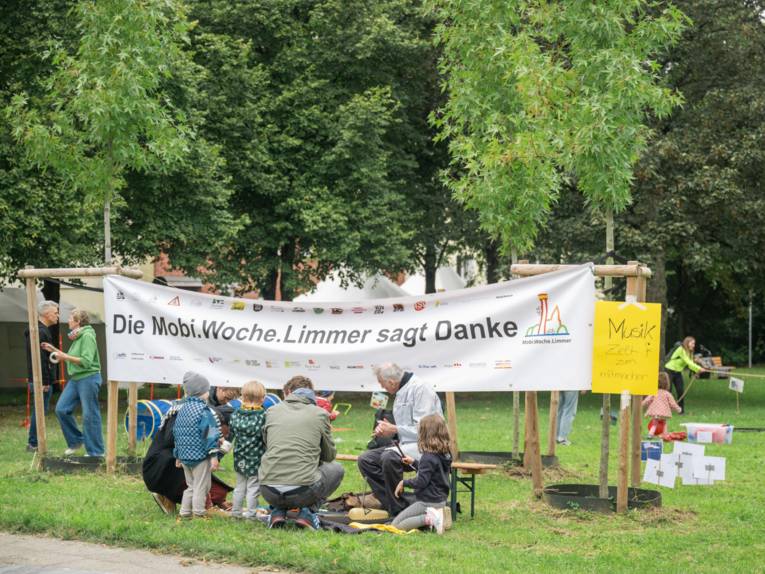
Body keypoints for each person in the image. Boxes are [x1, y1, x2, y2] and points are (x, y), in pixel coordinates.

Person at [357, 363, 443, 516]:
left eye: (382, 384)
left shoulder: (420, 389)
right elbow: (404, 429)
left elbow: (425, 430)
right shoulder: (402, 391)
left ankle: (397, 510)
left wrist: (394, 429)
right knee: (366, 459)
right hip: (407, 446)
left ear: (391, 382)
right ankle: (397, 503)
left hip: (429, 447)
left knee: (389, 457)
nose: (383, 388)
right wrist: (386, 431)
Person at [259, 376, 344, 530]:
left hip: (267, 489)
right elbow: (329, 456)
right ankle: (308, 513)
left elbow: (267, 446)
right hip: (302, 492)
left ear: (289, 393)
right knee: (337, 469)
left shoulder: (271, 411)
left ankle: (277, 511)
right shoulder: (320, 414)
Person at [142, 399, 232, 515]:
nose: (225, 436)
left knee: (218, 491)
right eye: (224, 432)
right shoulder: (182, 415)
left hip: (174, 464)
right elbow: (170, 438)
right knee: (201, 487)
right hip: (160, 469)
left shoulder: (191, 415)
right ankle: (200, 509)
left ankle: (181, 507)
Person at [42, 309, 104, 457]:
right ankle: (76, 441)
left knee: (90, 415)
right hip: (76, 379)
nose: (68, 320)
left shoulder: (87, 336)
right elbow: (71, 356)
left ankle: (96, 452)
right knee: (61, 409)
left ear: (78, 322)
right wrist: (54, 349)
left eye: (70, 318)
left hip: (88, 378)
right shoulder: (78, 336)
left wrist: (64, 356)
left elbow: (86, 362)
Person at [173, 372, 222, 520]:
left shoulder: (181, 410)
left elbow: (176, 433)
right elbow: (210, 433)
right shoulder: (203, 411)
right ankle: (199, 513)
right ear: (202, 392)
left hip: (185, 455)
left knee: (191, 487)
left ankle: (185, 513)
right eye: (207, 390)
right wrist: (214, 455)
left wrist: (177, 455)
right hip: (200, 456)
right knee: (201, 486)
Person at [392, 414, 452, 534]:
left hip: (427, 501)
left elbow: (421, 482)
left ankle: (431, 518)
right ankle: (437, 515)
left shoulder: (428, 457)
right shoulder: (445, 453)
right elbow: (434, 472)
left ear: (425, 434)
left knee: (396, 525)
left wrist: (404, 482)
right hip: (440, 499)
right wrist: (414, 462)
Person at [229, 380, 267, 519]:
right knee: (253, 488)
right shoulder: (263, 416)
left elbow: (230, 436)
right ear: (263, 398)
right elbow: (266, 438)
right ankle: (251, 515)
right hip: (256, 459)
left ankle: (236, 513)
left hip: (239, 458)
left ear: (242, 397)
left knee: (239, 487)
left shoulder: (235, 415)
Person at [25, 300, 59, 452]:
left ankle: (34, 443)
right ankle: (33, 443)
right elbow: (40, 359)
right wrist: (45, 381)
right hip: (41, 381)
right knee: (39, 412)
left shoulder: (41, 330)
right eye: (55, 312)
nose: (57, 315)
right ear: (46, 314)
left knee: (40, 411)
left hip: (40, 379)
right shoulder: (41, 332)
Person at [665, 336, 707, 412]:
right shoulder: (681, 349)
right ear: (687, 343)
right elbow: (688, 361)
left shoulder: (690, 352)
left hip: (678, 373)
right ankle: (665, 410)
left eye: (694, 343)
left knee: (680, 391)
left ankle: (681, 411)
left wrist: (696, 371)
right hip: (669, 371)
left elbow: (690, 364)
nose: (694, 345)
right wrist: (699, 368)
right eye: (692, 343)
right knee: (668, 391)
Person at [642, 372, 682, 436]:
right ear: (667, 383)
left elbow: (647, 400)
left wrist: (641, 404)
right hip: (664, 413)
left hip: (655, 412)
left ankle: (650, 434)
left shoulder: (654, 393)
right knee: (664, 423)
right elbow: (673, 404)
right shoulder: (667, 394)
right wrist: (679, 409)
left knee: (655, 423)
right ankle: (665, 434)